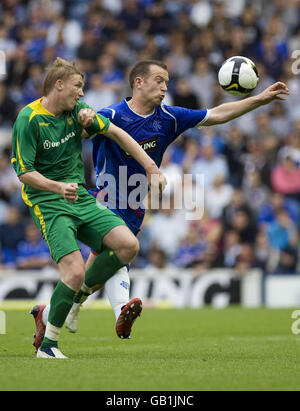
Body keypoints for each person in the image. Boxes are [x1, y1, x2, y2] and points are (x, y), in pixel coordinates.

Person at [38, 59, 289, 344]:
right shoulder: (111, 115)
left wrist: (259, 99)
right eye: (159, 80)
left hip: (135, 203)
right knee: (121, 251)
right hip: (104, 198)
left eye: (167, 81)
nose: (165, 87)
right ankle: (120, 310)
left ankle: (56, 312)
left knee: (104, 262)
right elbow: (71, 134)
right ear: (139, 82)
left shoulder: (169, 118)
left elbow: (216, 114)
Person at [11, 57, 166, 359]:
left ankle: (60, 308)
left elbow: (118, 133)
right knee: (74, 271)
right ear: (59, 85)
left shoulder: (79, 113)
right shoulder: (28, 119)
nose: (82, 94)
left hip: (80, 197)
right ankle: (48, 345)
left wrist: (150, 166)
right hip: (49, 203)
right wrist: (57, 187)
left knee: (127, 245)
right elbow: (23, 172)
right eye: (78, 87)